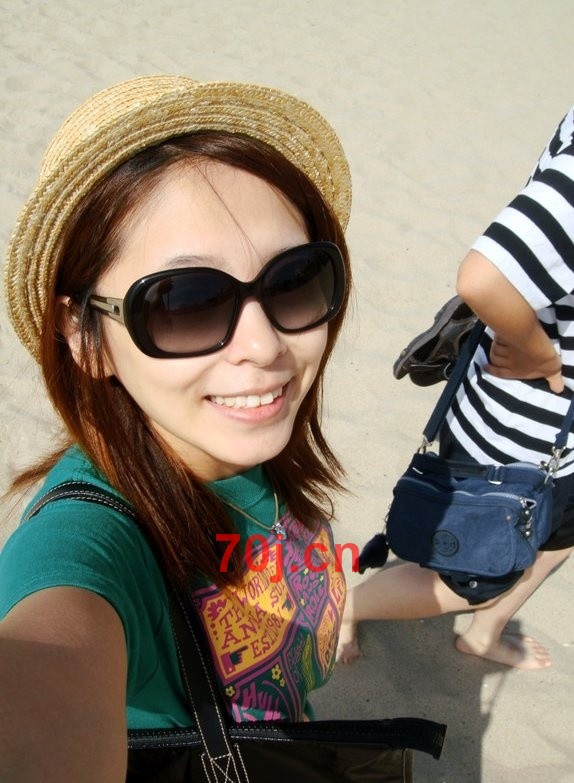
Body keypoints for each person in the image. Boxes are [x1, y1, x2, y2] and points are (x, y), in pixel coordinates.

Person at [0, 75, 353, 780]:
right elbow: (46, 667)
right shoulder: (88, 547)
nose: (265, 345)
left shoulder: (249, 454)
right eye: (185, 303)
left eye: (293, 280)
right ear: (85, 335)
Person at [338, 105, 574, 670]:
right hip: (521, 430)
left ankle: (484, 634)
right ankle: (342, 607)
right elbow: (486, 277)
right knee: (475, 577)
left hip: (556, 438)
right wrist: (539, 353)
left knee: (559, 533)